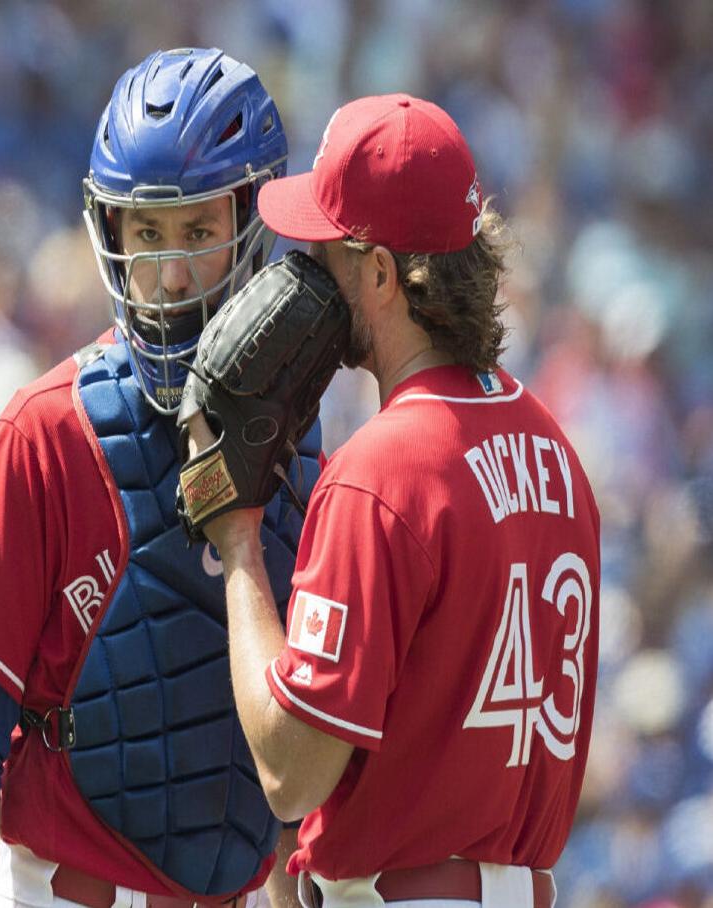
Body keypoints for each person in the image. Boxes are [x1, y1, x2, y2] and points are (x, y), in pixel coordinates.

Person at [0, 47, 319, 908]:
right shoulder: (44, 432)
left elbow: (279, 766)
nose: (167, 276)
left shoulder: (301, 442)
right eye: (147, 233)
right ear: (110, 235)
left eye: (198, 232)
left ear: (252, 226)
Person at [185, 94, 601, 908]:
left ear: (379, 271)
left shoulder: (381, 473)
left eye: (328, 251)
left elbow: (290, 774)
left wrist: (236, 544)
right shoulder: (557, 449)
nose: (307, 270)